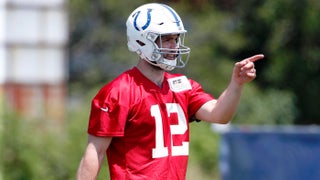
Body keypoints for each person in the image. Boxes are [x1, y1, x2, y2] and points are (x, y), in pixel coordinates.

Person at [76, 3, 264, 180]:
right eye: (166, 39)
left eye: (175, 39)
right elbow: (95, 152)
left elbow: (219, 114)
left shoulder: (183, 87)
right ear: (141, 41)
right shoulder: (118, 91)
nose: (174, 46)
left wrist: (236, 84)